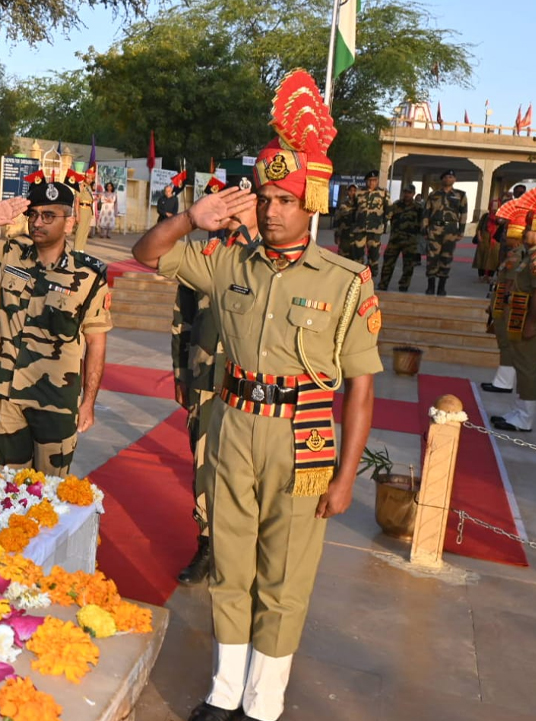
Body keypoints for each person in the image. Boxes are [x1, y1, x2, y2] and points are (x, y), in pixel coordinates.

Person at [132, 70, 380, 721]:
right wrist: (192, 216)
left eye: (286, 201)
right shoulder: (228, 261)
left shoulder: (347, 282)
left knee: (285, 577)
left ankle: (263, 705)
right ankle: (222, 693)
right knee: (231, 567)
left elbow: (361, 389)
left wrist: (347, 475)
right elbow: (146, 253)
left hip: (304, 440)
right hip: (234, 426)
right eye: (266, 198)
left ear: (312, 204)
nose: (272, 211)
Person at [0, 172, 112, 477]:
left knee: (51, 491)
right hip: (8, 394)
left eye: (49, 215)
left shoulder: (88, 276)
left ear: (69, 223)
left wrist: (88, 402)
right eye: (33, 214)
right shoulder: (10, 254)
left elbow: (96, 341)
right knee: (11, 486)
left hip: (56, 401)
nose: (38, 222)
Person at [170, 184, 260, 586]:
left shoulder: (269, 256)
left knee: (249, 469)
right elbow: (182, 317)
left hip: (254, 383)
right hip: (206, 376)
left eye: (240, 204)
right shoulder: (205, 255)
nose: (231, 212)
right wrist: (180, 374)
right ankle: (207, 544)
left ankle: (246, 550)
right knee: (205, 464)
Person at [493, 217, 536, 432]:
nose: (525, 232)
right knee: (521, 365)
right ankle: (519, 410)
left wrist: (532, 322)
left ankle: (526, 417)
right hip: (519, 315)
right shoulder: (529, 256)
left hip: (529, 318)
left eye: (529, 229)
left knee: (528, 368)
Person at [482, 219, 526, 395]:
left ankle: (504, 382)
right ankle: (502, 380)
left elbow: (509, 281)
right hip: (500, 301)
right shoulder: (514, 253)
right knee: (503, 343)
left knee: (506, 344)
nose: (504, 237)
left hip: (506, 304)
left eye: (508, 234)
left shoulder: (517, 255)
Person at [423, 169, 468, 296]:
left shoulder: (461, 195)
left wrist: (461, 230)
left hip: (451, 229)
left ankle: (441, 287)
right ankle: (430, 287)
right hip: (435, 228)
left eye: (451, 177)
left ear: (455, 180)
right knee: (432, 257)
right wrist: (425, 229)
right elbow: (426, 212)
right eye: (446, 177)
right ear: (442, 179)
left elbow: (463, 213)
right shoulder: (434, 194)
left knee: (446, 257)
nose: (449, 179)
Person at [378, 185, 424, 292]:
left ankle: (404, 286)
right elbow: (388, 216)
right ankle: (383, 284)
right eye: (405, 192)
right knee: (388, 263)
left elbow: (423, 222)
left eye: (409, 192)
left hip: (410, 241)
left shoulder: (418, 208)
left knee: (408, 266)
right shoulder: (396, 205)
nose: (407, 195)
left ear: (413, 193)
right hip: (395, 239)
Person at [351, 170, 389, 276]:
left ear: (377, 181)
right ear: (366, 181)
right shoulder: (359, 193)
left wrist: (384, 222)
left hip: (375, 229)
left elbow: (388, 209)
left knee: (374, 254)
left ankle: (372, 276)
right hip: (360, 228)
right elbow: (353, 209)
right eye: (369, 180)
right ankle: (358, 276)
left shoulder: (383, 193)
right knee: (358, 254)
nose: (372, 183)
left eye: (374, 180)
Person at [333, 184, 358, 258]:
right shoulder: (342, 204)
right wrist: (336, 234)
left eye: (354, 191)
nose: (352, 193)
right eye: (350, 191)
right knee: (342, 257)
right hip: (344, 235)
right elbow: (337, 219)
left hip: (356, 236)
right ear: (348, 192)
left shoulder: (360, 204)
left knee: (356, 259)